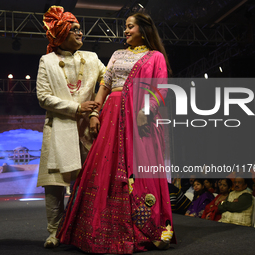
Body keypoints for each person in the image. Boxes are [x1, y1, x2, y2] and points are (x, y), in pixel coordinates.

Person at [57, 12, 175, 254]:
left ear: (144, 29)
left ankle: (149, 229)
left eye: (130, 27)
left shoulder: (156, 57)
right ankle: (95, 229)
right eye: (125, 27)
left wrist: (147, 110)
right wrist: (94, 113)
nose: (126, 31)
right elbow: (105, 85)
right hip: (112, 113)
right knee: (103, 170)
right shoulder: (117, 55)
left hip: (139, 115)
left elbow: (160, 88)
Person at [36, 6, 105, 248]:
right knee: (55, 185)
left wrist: (94, 111)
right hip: (59, 129)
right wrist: (76, 108)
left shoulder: (93, 58)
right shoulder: (48, 61)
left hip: (89, 130)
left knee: (88, 183)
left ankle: (83, 229)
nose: (79, 32)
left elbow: (108, 83)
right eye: (73, 29)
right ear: (61, 34)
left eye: (79, 28)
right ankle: (54, 232)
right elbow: (43, 97)